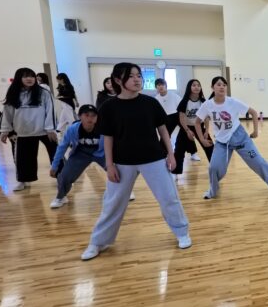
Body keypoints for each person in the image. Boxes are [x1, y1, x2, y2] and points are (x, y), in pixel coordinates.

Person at [81, 63, 191, 260]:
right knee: (113, 203)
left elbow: (163, 130)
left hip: (154, 158)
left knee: (169, 198)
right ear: (117, 80)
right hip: (122, 162)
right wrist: (109, 165)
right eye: (131, 76)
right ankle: (98, 241)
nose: (137, 79)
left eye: (138, 75)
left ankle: (182, 232)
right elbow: (108, 138)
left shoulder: (150, 103)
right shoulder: (109, 107)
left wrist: (171, 153)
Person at [193, 76, 268, 199]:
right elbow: (197, 122)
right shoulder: (207, 105)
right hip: (222, 142)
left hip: (240, 138)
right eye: (219, 84)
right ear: (212, 87)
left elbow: (253, 112)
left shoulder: (233, 102)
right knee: (214, 167)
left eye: (224, 85)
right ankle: (213, 190)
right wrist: (202, 139)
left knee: (258, 161)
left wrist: (256, 131)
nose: (222, 87)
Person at [1, 67, 58, 191]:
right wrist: (5, 130)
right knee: (23, 159)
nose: (30, 79)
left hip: (44, 131)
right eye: (26, 76)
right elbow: (7, 113)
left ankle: (62, 177)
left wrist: (50, 129)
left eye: (32, 76)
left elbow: (51, 110)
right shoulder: (13, 93)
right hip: (23, 132)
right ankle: (23, 180)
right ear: (19, 78)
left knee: (56, 154)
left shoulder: (44, 93)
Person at [50, 104, 108, 208]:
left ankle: (125, 192)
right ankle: (61, 197)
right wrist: (54, 166)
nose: (90, 118)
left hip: (101, 153)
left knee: (119, 170)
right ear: (80, 116)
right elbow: (62, 147)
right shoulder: (73, 129)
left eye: (93, 115)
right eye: (86, 115)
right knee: (65, 175)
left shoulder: (104, 128)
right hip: (80, 154)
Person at [152, 78, 188, 175]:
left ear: (166, 86)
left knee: (186, 131)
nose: (160, 87)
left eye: (162, 85)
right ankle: (162, 155)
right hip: (167, 118)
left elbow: (182, 105)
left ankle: (193, 152)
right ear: (156, 87)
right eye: (158, 85)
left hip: (177, 115)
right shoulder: (156, 98)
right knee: (165, 136)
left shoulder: (173, 95)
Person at [176, 78, 207, 168]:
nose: (196, 87)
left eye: (198, 85)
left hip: (200, 126)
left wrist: (206, 130)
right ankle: (176, 171)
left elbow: (206, 118)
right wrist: (187, 130)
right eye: (194, 85)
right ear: (189, 87)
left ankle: (216, 170)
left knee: (209, 146)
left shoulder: (203, 101)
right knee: (179, 149)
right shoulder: (184, 101)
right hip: (186, 126)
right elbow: (181, 118)